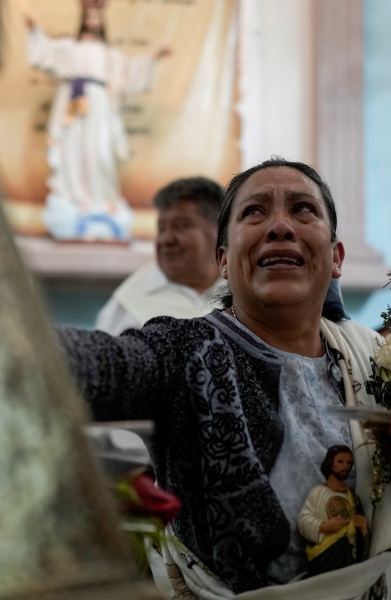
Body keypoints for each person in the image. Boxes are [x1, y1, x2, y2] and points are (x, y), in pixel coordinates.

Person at [59, 157, 391, 599]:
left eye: (303, 209)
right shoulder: (187, 351)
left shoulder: (372, 358)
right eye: (254, 211)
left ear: (336, 258)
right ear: (223, 260)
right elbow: (107, 365)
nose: (279, 226)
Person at [25, 0, 170, 241]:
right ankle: (75, 199)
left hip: (99, 107)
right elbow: (46, 53)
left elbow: (129, 73)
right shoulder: (70, 47)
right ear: (83, 19)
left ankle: (102, 199)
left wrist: (154, 57)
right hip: (72, 104)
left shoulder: (108, 54)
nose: (94, 21)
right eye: (90, 16)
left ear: (102, 21)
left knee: (100, 154)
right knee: (73, 153)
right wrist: (33, 30)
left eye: (97, 17)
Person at [96, 177, 224, 334]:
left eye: (181, 226)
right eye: (161, 228)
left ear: (219, 232)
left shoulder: (244, 292)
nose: (166, 239)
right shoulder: (129, 305)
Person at [297, 445, 368, 576]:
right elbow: (303, 520)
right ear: (330, 463)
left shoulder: (353, 497)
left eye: (349, 463)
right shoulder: (318, 492)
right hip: (323, 556)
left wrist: (362, 531)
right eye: (340, 461)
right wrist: (323, 526)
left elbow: (358, 535)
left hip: (347, 557)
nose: (345, 466)